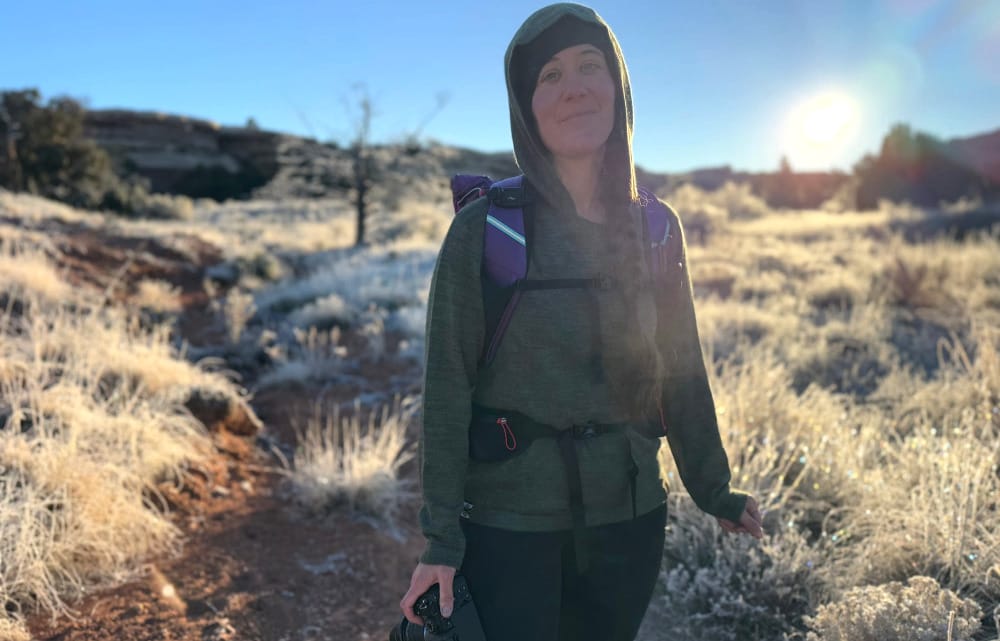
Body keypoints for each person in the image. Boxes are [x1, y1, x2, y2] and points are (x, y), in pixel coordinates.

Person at [400, 3, 763, 640]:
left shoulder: (656, 228)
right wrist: (441, 544)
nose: (574, 87)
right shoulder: (484, 229)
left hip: (631, 520)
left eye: (590, 66)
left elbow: (681, 368)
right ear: (526, 106)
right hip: (510, 529)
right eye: (550, 76)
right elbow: (447, 391)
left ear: (617, 86)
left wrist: (714, 488)